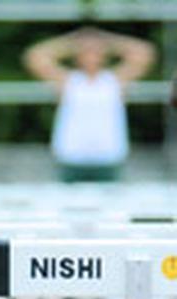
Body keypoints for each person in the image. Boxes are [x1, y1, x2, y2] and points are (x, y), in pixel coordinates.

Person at [25, 27, 156, 183]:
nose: (91, 56)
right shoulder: (67, 81)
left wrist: (105, 40)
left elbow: (144, 53)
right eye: (86, 52)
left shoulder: (115, 81)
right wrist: (74, 41)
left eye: (95, 52)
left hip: (108, 159)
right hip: (72, 159)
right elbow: (35, 56)